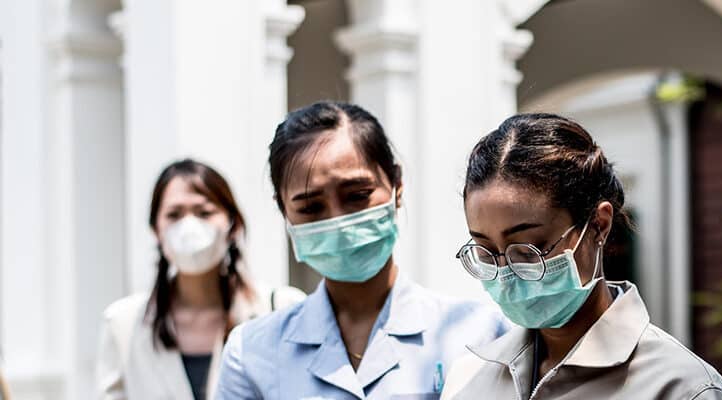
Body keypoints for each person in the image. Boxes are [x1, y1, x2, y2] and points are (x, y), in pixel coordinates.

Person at [216, 101, 510, 399]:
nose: (339, 221)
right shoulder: (252, 352)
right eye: (311, 207)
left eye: (357, 195)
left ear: (396, 185)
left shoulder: (479, 334)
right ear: (284, 212)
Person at [440, 113, 722, 399]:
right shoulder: (470, 376)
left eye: (529, 249)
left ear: (598, 225)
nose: (507, 276)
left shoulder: (682, 388)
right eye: (488, 253)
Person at [96, 159, 305, 400]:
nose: (189, 226)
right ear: (156, 230)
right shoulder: (123, 324)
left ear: (233, 225)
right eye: (174, 215)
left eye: (204, 213)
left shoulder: (281, 309)